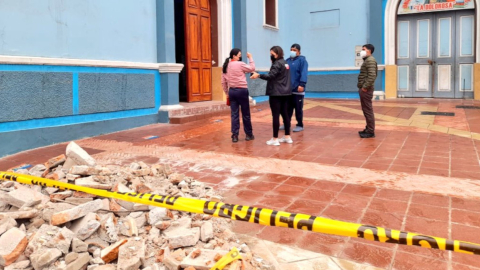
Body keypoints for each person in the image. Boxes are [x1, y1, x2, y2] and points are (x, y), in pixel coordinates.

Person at [250, 46, 292, 146]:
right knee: (285, 114)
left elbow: (271, 76)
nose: (270, 56)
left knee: (276, 115)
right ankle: (287, 136)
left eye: (272, 54)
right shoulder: (285, 63)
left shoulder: (277, 64)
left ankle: (275, 139)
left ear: (277, 54)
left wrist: (258, 75)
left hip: (276, 93)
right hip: (285, 92)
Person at [221, 48, 256, 143]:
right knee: (246, 114)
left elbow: (223, 83)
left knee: (234, 115)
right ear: (234, 56)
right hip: (242, 91)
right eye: (239, 55)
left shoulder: (226, 66)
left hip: (232, 92)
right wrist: (251, 58)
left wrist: (227, 94)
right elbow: (252, 68)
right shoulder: (240, 64)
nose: (240, 57)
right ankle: (249, 134)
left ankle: (235, 135)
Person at [285, 43, 308, 132]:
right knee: (287, 108)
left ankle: (299, 124)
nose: (292, 51)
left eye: (294, 50)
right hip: (288, 89)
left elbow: (304, 73)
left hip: (298, 89)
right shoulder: (287, 61)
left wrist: (302, 84)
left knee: (298, 108)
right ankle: (287, 123)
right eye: (291, 49)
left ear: (299, 52)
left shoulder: (302, 61)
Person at [357, 44, 378, 138]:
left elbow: (372, 76)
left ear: (369, 50)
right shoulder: (367, 60)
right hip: (365, 88)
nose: (361, 51)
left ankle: (370, 131)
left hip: (366, 89)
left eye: (363, 49)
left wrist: (365, 87)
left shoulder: (370, 61)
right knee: (366, 109)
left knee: (368, 110)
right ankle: (368, 128)